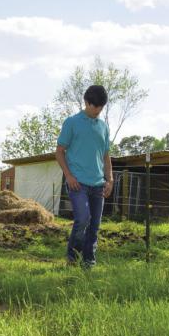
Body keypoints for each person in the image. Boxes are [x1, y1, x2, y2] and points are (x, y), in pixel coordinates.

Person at [55, 84, 113, 268]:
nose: (97, 110)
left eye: (101, 107)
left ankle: (89, 262)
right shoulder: (71, 122)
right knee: (83, 219)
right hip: (77, 183)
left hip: (98, 184)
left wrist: (109, 179)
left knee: (94, 225)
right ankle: (72, 259)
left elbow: (106, 156)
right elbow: (59, 151)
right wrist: (69, 176)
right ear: (86, 102)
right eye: (94, 106)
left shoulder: (104, 127)